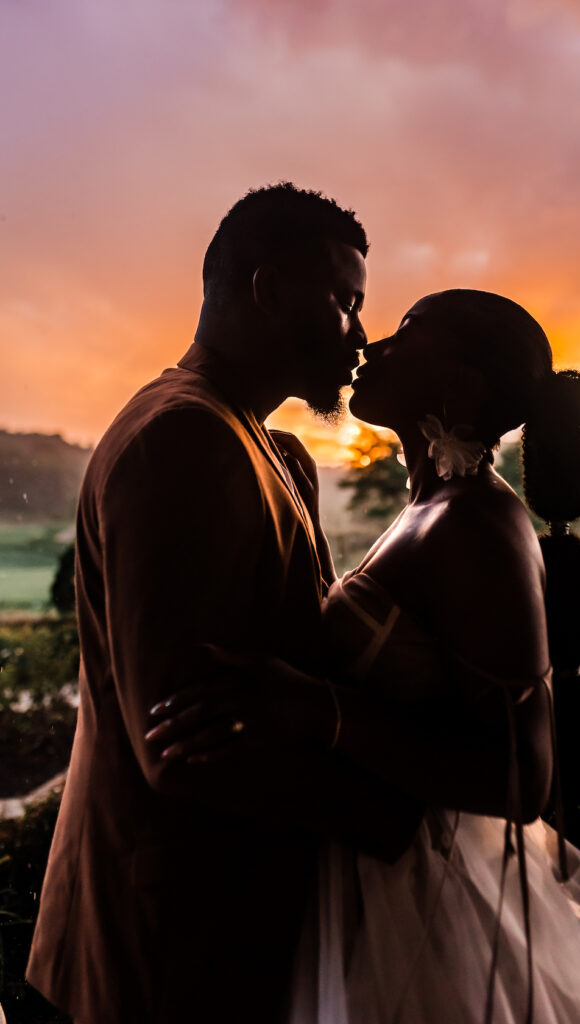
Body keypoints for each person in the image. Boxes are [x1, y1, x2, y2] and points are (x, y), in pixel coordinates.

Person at [148, 290, 580, 1022]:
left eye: (406, 336)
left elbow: (522, 780)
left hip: (421, 907)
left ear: (461, 384)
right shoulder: (430, 506)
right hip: (368, 875)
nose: (372, 344)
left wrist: (308, 707)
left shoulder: (475, 528)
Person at [26, 183, 423, 1024]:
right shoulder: (182, 438)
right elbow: (180, 745)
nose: (358, 332)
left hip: (219, 932)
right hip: (163, 951)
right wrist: (406, 814)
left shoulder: (264, 443)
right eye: (345, 303)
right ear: (267, 288)